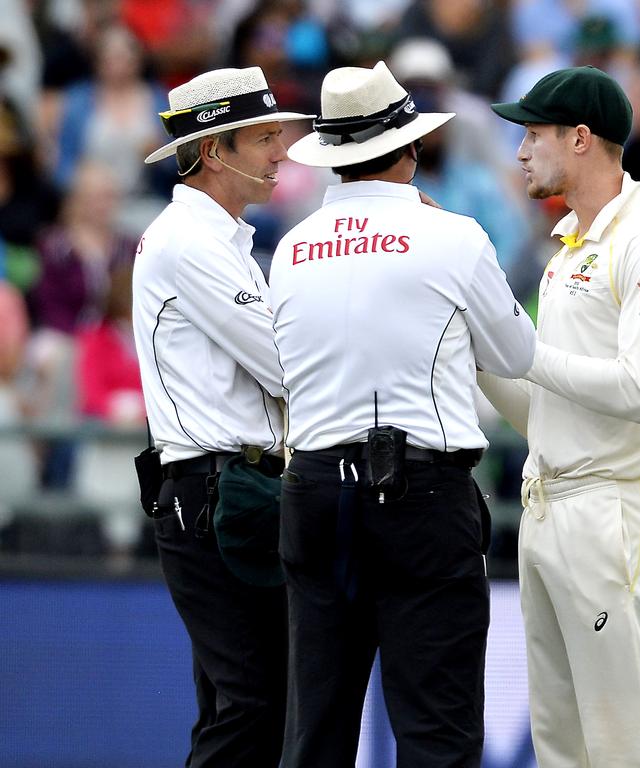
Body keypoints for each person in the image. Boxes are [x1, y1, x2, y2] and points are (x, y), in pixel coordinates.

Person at [269, 62, 535, 767]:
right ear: (410, 148)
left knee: (315, 731)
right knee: (436, 733)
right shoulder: (453, 236)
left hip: (317, 488)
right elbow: (515, 354)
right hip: (420, 492)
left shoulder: (291, 248)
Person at [484, 65, 640, 767]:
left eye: (533, 134)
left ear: (580, 139)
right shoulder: (569, 251)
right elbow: (543, 413)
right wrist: (480, 348)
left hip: (614, 512)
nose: (520, 151)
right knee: (562, 744)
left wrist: (518, 348)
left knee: (625, 743)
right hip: (551, 504)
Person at [132, 66, 312, 767]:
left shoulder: (213, 239)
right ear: (215, 151)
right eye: (266, 138)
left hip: (226, 490)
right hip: (216, 493)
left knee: (245, 702)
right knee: (253, 702)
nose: (280, 153)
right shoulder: (191, 243)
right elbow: (284, 366)